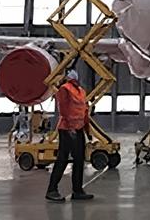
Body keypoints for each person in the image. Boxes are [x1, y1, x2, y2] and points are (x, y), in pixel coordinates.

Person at [45, 69, 94, 203]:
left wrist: (87, 131)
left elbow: (84, 112)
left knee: (79, 160)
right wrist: (70, 127)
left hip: (78, 129)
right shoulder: (64, 89)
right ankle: (52, 190)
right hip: (67, 129)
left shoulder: (81, 91)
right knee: (63, 159)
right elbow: (64, 109)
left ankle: (77, 191)